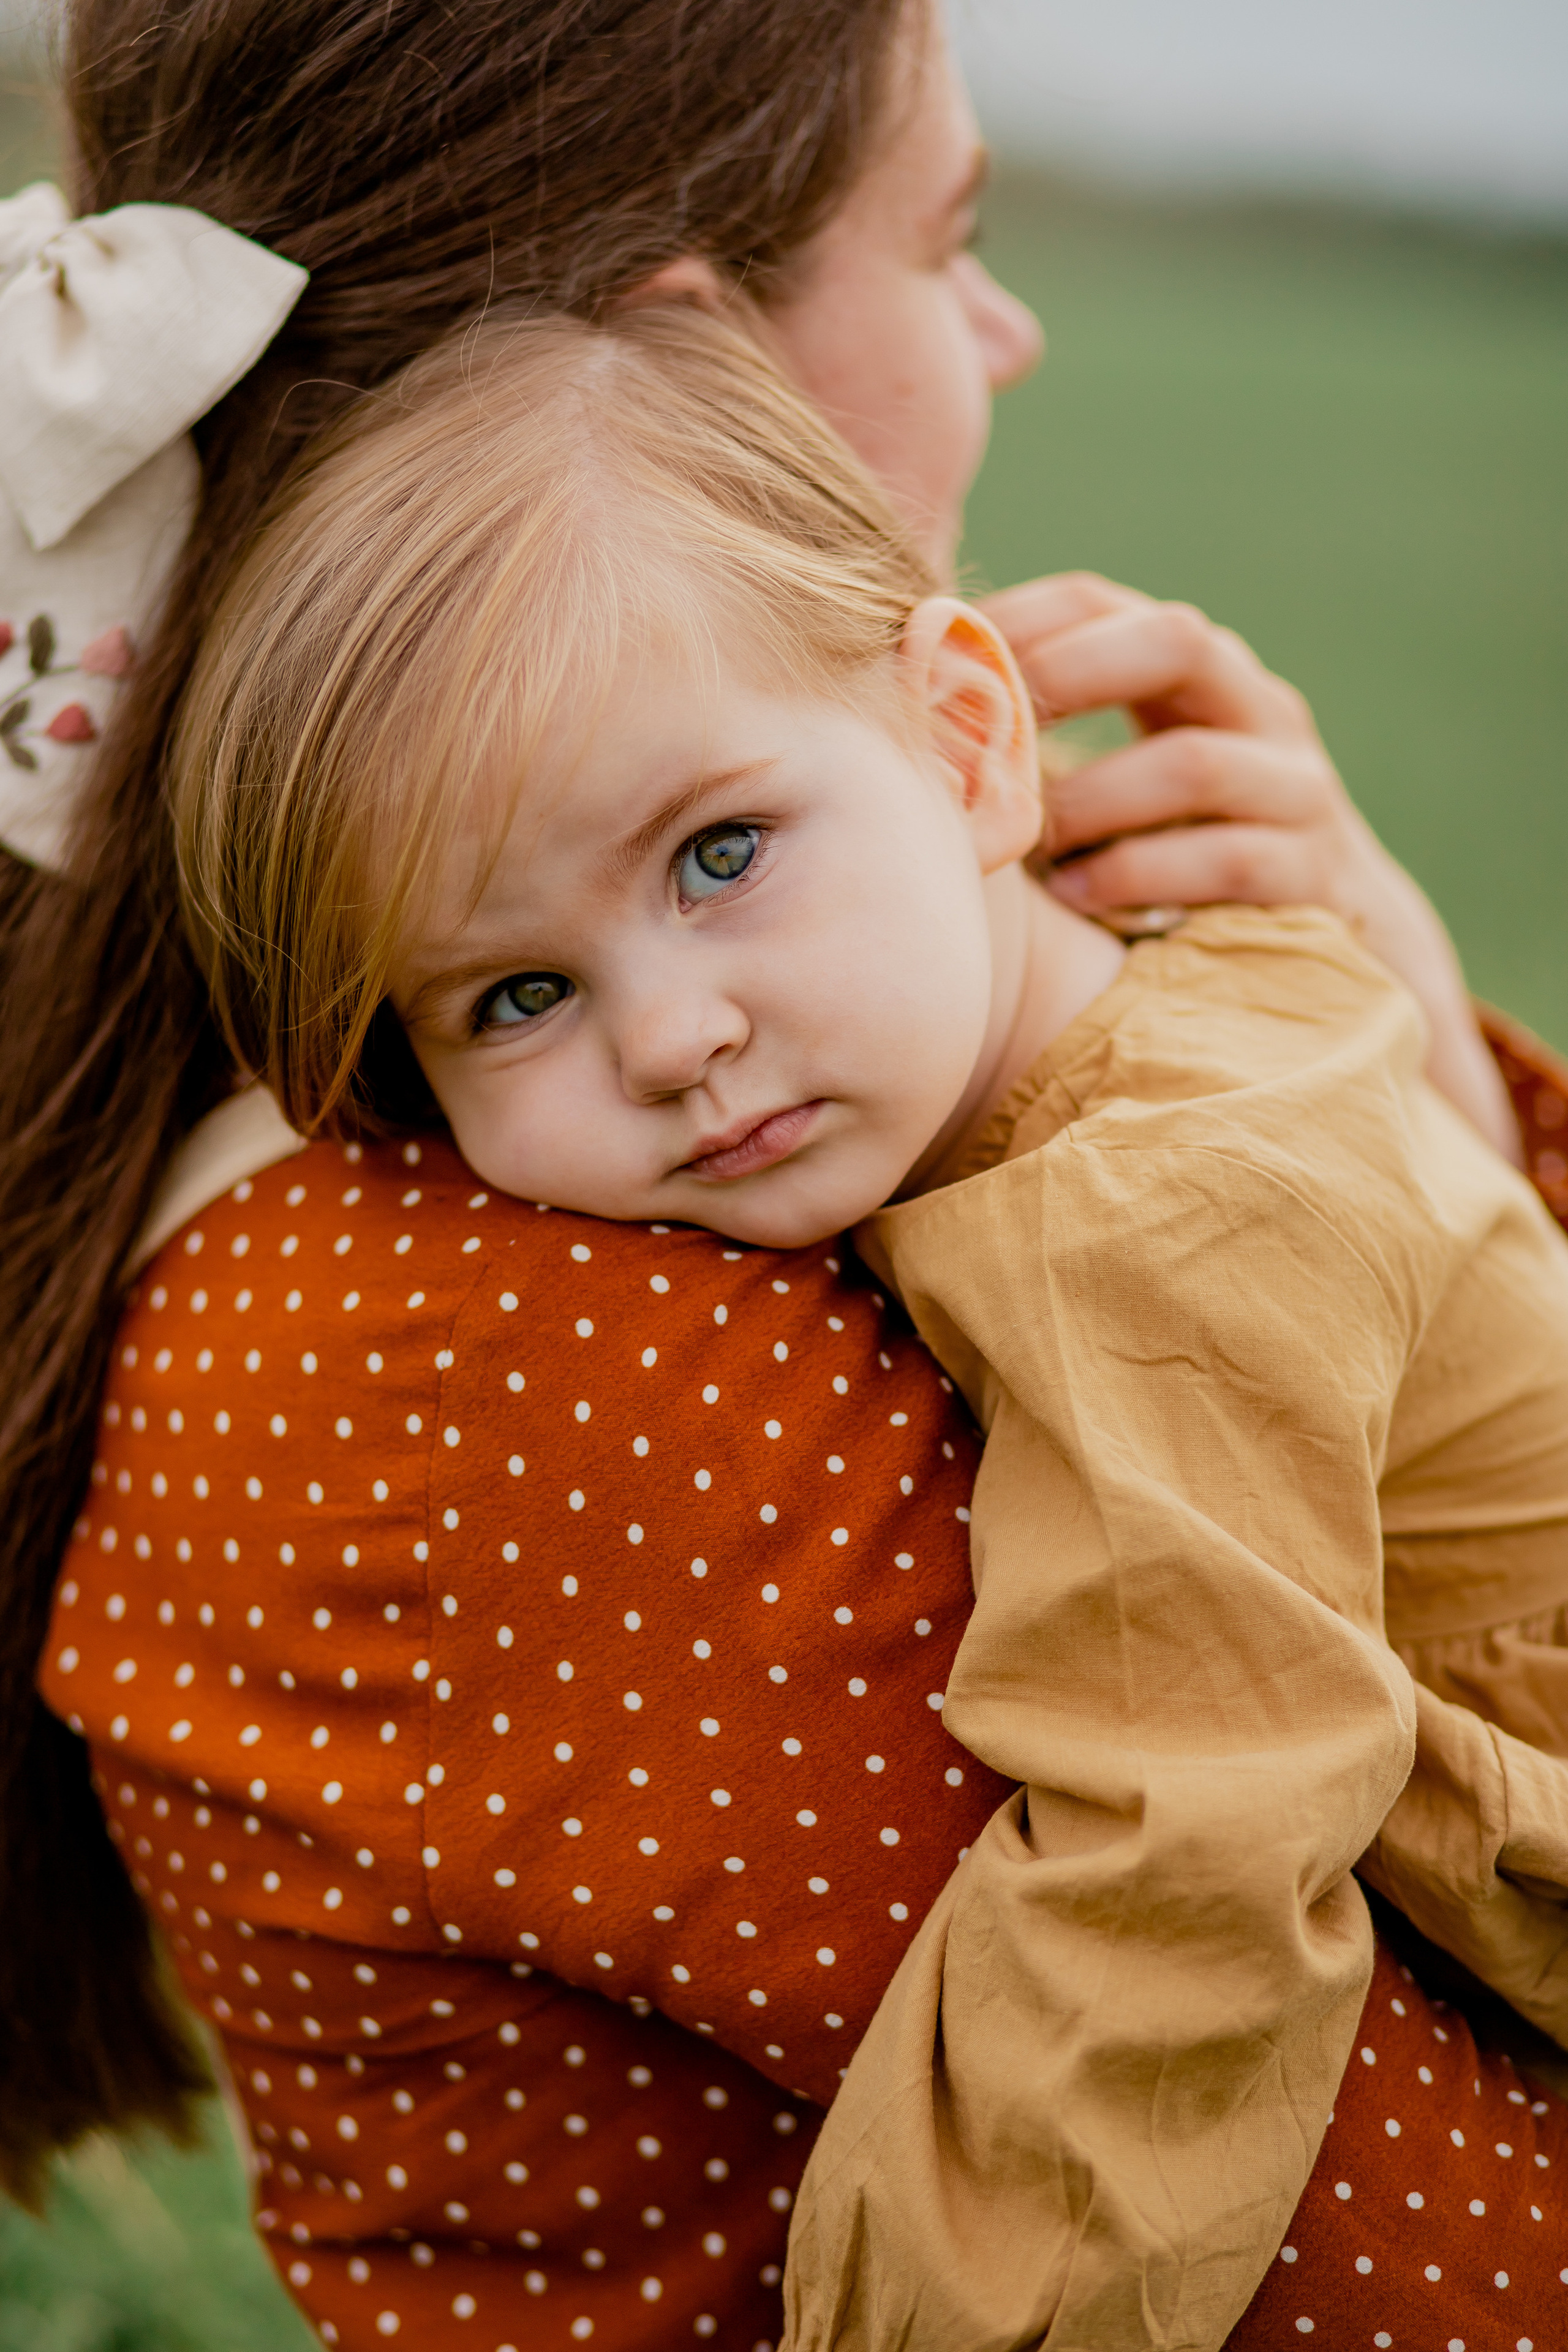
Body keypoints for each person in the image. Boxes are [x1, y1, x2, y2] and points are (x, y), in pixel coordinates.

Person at [3, 0, 1561, 2341]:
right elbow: (1399, 2230)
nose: (1010, 328)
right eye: (950, 236)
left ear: (962, 737)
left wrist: (1406, 1045)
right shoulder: (462, 1358)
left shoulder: (956, 1076)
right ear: (688, 341)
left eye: (723, 851)